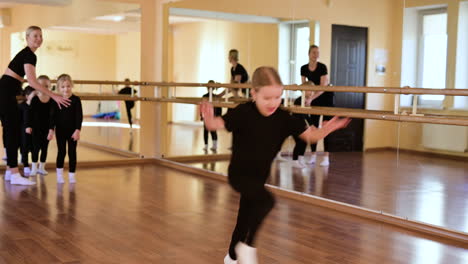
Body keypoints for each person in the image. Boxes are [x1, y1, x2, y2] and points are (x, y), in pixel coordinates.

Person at [200, 66, 350, 264]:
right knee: (266, 201)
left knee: (244, 219)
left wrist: (326, 130)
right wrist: (209, 119)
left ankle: (231, 257)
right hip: (239, 175)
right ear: (254, 93)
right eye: (267, 98)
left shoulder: (284, 118)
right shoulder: (243, 112)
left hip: (258, 178)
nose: (273, 103)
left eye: (277, 97)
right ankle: (248, 248)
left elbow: (310, 137)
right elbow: (216, 125)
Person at [0, 25, 69, 185]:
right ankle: (15, 174)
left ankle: (11, 172)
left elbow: (25, 80)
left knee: (10, 131)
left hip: (6, 91)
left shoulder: (27, 54)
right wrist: (53, 95)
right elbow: (32, 81)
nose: (39, 39)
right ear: (27, 38)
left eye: (40, 36)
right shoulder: (29, 55)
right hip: (5, 93)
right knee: (12, 132)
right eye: (35, 36)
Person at [300, 45, 334, 166]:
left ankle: (326, 157)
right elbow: (305, 86)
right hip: (314, 99)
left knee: (325, 127)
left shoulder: (322, 67)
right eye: (314, 52)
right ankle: (313, 155)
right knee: (313, 127)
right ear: (309, 54)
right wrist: (306, 97)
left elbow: (322, 87)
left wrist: (310, 99)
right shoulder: (304, 68)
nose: (316, 55)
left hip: (326, 98)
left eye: (317, 52)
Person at [48, 74, 83, 184]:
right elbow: (52, 117)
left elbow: (79, 116)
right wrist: (51, 130)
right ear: (59, 88)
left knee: (72, 152)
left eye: (68, 86)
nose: (66, 89)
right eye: (63, 87)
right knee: (61, 152)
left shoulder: (76, 100)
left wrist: (77, 130)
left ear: (71, 86)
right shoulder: (56, 100)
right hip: (61, 131)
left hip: (73, 131)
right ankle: (59, 175)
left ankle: (72, 175)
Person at [29, 75, 53, 176]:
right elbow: (30, 114)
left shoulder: (52, 101)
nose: (44, 88)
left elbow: (53, 117)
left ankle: (42, 167)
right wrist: (29, 126)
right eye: (41, 86)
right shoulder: (34, 100)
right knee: (35, 148)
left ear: (50, 87)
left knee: (45, 148)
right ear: (37, 86)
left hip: (47, 129)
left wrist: (52, 129)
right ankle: (34, 168)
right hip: (36, 129)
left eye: (47, 86)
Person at [291, 82, 315, 167]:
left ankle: (300, 158)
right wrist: (306, 124)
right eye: (309, 90)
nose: (312, 92)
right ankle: (295, 160)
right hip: (295, 124)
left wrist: (311, 124)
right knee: (299, 142)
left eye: (313, 91)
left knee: (304, 141)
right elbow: (300, 114)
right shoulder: (299, 100)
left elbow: (307, 115)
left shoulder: (307, 101)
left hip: (302, 124)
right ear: (303, 91)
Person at [18, 86, 36, 176]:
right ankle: (25, 164)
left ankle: (34, 165)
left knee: (34, 147)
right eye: (34, 95)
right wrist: (25, 127)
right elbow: (19, 119)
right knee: (24, 147)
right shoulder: (22, 106)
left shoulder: (36, 106)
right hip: (23, 131)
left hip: (34, 130)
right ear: (27, 96)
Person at [201, 80, 222, 151]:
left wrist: (219, 115)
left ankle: (214, 145)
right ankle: (206, 145)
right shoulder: (204, 96)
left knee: (213, 131)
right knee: (205, 131)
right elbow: (202, 106)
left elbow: (219, 107)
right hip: (206, 116)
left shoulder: (216, 97)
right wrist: (201, 115)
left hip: (213, 116)